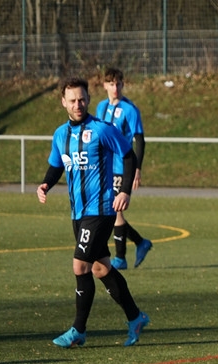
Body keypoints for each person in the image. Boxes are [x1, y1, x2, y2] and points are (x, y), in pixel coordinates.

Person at [36, 76, 150, 349]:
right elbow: (57, 165)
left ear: (88, 99)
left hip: (101, 209)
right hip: (78, 212)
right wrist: (46, 184)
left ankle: (78, 330)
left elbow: (128, 155)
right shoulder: (60, 134)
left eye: (82, 99)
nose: (78, 104)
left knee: (80, 265)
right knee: (100, 268)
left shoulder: (102, 129)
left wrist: (124, 191)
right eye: (73, 100)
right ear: (63, 102)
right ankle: (135, 317)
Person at [95, 67, 153, 270]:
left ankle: (120, 258)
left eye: (118, 84)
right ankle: (140, 242)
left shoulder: (130, 110)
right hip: (105, 167)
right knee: (109, 211)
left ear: (123, 85)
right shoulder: (101, 107)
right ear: (105, 85)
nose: (115, 88)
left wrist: (137, 169)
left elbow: (140, 140)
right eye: (111, 84)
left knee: (115, 210)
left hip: (122, 167)